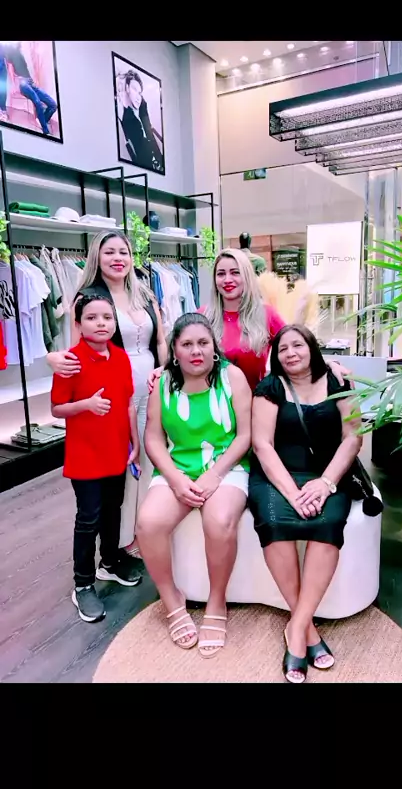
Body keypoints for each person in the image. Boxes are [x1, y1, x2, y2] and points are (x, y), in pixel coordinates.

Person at [248, 324, 362, 683]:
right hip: (277, 476)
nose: (291, 353)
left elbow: (353, 437)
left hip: (328, 474)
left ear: (312, 348)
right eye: (283, 349)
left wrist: (326, 483)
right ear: (276, 357)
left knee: (327, 526)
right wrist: (292, 493)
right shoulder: (269, 388)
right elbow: (262, 445)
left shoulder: (339, 382)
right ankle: (308, 630)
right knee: (274, 524)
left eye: (298, 345)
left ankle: (296, 627)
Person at [45, 230, 168, 562]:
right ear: (96, 257)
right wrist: (51, 359)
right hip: (113, 393)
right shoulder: (88, 298)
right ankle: (123, 539)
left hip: (152, 388)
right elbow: (75, 351)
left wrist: (165, 371)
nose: (118, 258)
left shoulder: (144, 293)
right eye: (109, 251)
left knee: (151, 457)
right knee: (123, 465)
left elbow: (160, 340)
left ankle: (150, 527)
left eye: (123, 252)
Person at [137, 313, 252, 656]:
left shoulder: (232, 377)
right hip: (178, 468)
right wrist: (175, 479)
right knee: (147, 524)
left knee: (219, 521)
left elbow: (245, 435)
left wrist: (214, 474)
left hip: (227, 466)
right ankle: (172, 600)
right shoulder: (162, 384)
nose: (196, 351)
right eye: (187, 344)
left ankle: (217, 602)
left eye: (203, 343)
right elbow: (153, 438)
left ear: (214, 346)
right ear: (174, 350)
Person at [51, 295, 142, 624]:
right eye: (92, 317)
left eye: (107, 317)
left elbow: (129, 403)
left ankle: (110, 562)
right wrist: (86, 405)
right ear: (78, 324)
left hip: (117, 450)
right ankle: (83, 583)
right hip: (86, 455)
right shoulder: (71, 361)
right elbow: (57, 408)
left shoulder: (120, 356)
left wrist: (135, 442)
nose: (101, 323)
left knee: (113, 508)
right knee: (88, 517)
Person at [148, 246, 350, 394]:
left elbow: (295, 347)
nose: (228, 280)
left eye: (235, 273)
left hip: (256, 405)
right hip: (212, 410)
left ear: (246, 277)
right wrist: (164, 369)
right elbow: (184, 354)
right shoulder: (203, 316)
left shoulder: (266, 314)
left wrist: (328, 364)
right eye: (221, 274)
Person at [4, 42, 57, 136]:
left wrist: (33, 80)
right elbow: (10, 69)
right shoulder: (10, 53)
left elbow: (25, 70)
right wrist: (15, 84)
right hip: (23, 84)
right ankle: (45, 131)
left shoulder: (20, 54)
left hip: (30, 82)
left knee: (53, 105)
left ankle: (42, 119)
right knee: (38, 103)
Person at [120, 70, 165, 174]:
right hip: (145, 163)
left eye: (140, 92)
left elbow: (150, 134)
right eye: (134, 89)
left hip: (157, 161)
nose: (138, 96)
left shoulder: (142, 109)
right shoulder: (127, 118)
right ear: (127, 88)